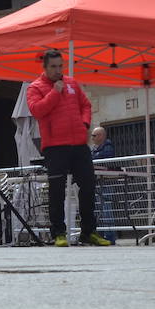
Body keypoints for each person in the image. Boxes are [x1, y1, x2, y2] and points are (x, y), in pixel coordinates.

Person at [26, 49, 110, 247]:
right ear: (45, 67)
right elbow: (37, 110)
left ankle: (88, 232)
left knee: (88, 185)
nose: (58, 70)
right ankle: (58, 233)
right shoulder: (35, 87)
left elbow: (86, 105)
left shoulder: (72, 83)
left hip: (79, 144)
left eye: (60, 66)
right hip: (55, 146)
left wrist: (85, 124)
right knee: (57, 189)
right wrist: (55, 92)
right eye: (53, 67)